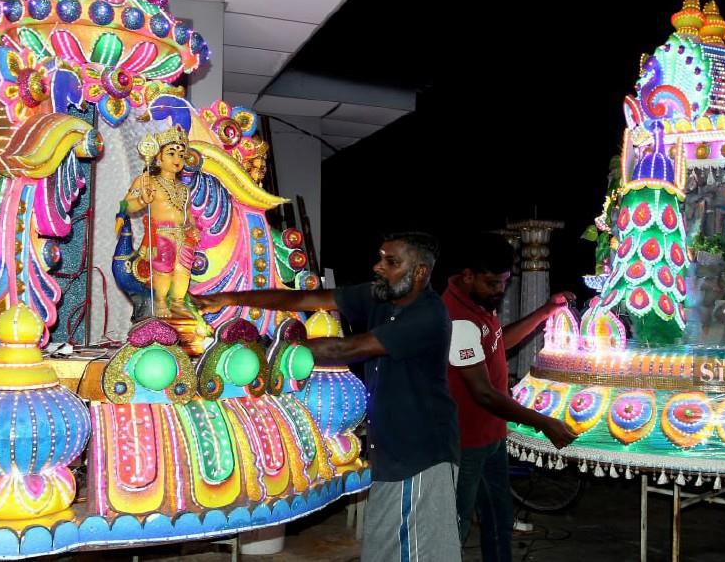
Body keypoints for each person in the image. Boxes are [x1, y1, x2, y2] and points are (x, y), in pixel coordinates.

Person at [191, 232, 462, 562]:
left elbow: (345, 349)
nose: (378, 266)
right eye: (380, 257)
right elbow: (307, 299)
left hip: (420, 456)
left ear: (419, 272)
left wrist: (267, 350)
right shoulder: (383, 296)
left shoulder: (428, 316)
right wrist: (229, 299)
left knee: (415, 551)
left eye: (391, 262)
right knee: (383, 550)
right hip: (393, 452)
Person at [443, 233, 578, 561]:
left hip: (491, 435)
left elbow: (497, 344)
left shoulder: (478, 304)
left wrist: (546, 311)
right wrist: (543, 422)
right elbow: (484, 394)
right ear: (468, 275)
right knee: (456, 525)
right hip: (466, 441)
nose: (499, 291)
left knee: (499, 519)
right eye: (492, 283)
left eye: (504, 282)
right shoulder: (458, 319)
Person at [124, 132, 200, 317]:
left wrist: (192, 227)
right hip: (161, 234)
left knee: (183, 271)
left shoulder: (184, 188)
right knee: (164, 271)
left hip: (183, 235)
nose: (177, 159)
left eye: (181, 155)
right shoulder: (147, 181)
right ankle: (160, 303)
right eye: (171, 153)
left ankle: (178, 303)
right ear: (158, 157)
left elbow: (187, 213)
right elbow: (125, 206)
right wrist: (142, 200)